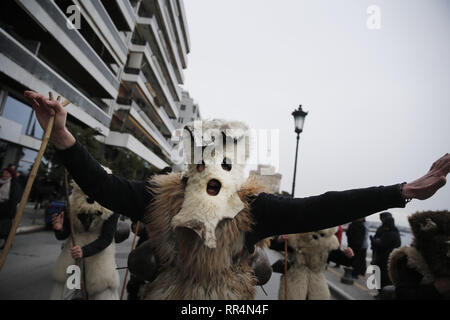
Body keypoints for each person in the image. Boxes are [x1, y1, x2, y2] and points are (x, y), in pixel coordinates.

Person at [23, 90, 450, 299]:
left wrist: (402, 191)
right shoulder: (159, 196)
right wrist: (63, 137)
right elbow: (103, 186)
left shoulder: (252, 208)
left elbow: (321, 207)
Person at [50, 170, 120, 300]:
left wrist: (84, 251)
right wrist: (59, 229)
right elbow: (64, 234)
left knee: (103, 294)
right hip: (73, 258)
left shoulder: (111, 205)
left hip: (99, 258)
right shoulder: (72, 203)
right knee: (66, 294)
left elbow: (106, 238)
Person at [372, 216, 401, 288]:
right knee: (386, 277)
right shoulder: (396, 233)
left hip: (383, 259)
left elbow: (382, 244)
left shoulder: (389, 234)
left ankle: (381, 293)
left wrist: (375, 241)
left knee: (381, 277)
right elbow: (398, 244)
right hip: (390, 258)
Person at [0, 168, 23, 249]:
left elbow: (16, 198)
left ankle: (7, 243)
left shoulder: (14, 185)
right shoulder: (1, 182)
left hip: (7, 210)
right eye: (4, 173)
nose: (4, 175)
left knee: (5, 229)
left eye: (7, 173)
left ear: (11, 175)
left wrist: (10, 208)